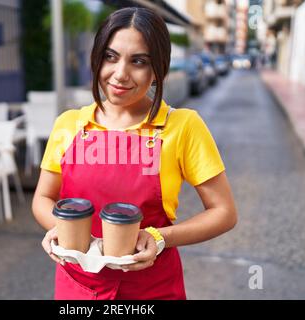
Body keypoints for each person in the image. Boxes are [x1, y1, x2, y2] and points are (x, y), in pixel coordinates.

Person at [32, 7, 237, 300]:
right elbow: (43, 198)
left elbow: (224, 212)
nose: (120, 74)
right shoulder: (69, 124)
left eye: (138, 61)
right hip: (77, 287)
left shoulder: (183, 126)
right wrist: (61, 229)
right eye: (110, 56)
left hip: (151, 289)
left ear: (159, 69)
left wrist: (158, 238)